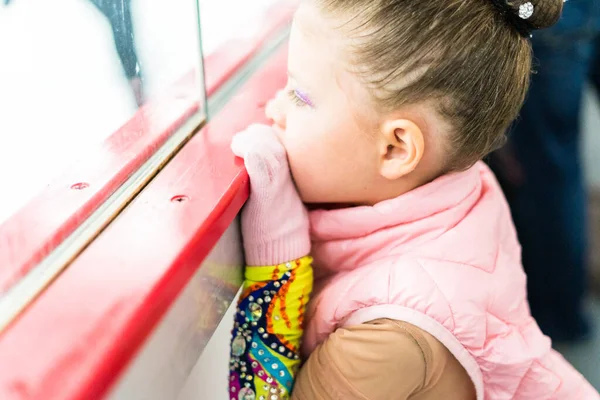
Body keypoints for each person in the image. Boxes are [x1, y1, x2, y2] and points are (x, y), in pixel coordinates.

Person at [229, 0, 600, 398]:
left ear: (396, 148)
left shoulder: (391, 338)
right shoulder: (465, 187)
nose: (273, 109)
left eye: (300, 96)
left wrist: (277, 259)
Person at [490, 0, 600, 343]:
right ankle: (561, 314)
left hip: (544, 17)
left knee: (546, 174)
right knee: (551, 169)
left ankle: (556, 319)